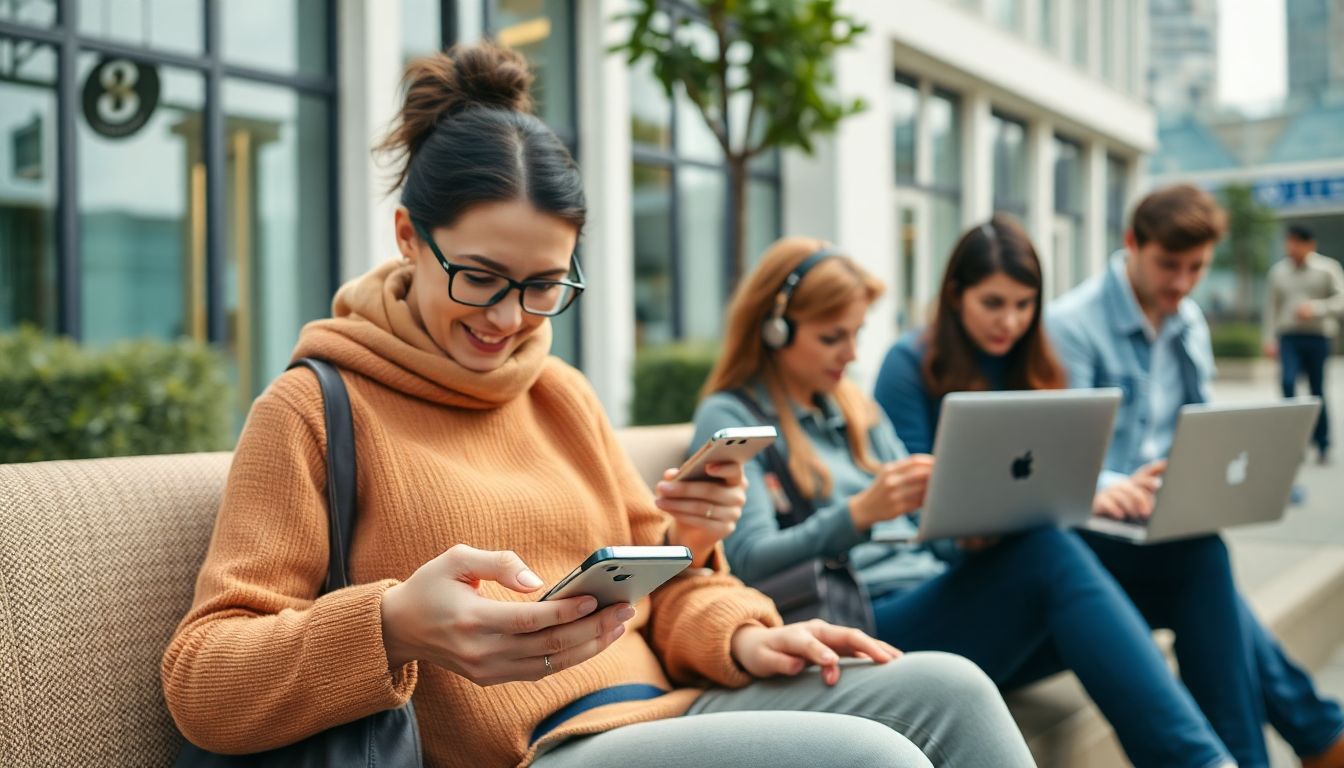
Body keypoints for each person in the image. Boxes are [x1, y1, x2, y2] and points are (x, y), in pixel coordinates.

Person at [160, 43, 1036, 768]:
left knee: (953, 689)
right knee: (874, 761)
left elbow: (664, 589)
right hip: (537, 752)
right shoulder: (315, 407)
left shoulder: (559, 392)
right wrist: (390, 627)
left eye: (543, 286)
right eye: (480, 278)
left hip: (664, 706)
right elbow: (203, 680)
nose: (507, 319)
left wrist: (740, 635)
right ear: (407, 238)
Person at [693, 235, 1239, 768]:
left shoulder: (852, 406)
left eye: (857, 333)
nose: (853, 353)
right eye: (834, 337)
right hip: (862, 621)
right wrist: (857, 516)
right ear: (775, 329)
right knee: (1048, 556)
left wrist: (973, 531)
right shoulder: (732, 416)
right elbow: (747, 563)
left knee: (1182, 561)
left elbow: (921, 534)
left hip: (932, 596)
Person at [1042, 186, 1344, 768]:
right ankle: (1318, 735)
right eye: (1168, 265)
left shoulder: (1188, 323)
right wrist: (1114, 487)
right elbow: (1063, 463)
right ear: (1131, 244)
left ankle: (1306, 739)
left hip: (1166, 519)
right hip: (1094, 529)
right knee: (1205, 566)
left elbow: (1206, 431)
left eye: (1197, 268)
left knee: (1203, 560)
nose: (1181, 283)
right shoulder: (1072, 325)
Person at [1263, 224, 1344, 464]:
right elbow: (1272, 308)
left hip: (1317, 337)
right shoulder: (1278, 272)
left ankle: (1322, 443)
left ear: (1310, 245)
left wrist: (1317, 309)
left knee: (1317, 390)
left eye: (1296, 242)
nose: (1291, 247)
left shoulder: (1327, 269)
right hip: (1289, 337)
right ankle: (1293, 441)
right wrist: (1269, 339)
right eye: (1288, 242)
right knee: (1287, 383)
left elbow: (1341, 300)